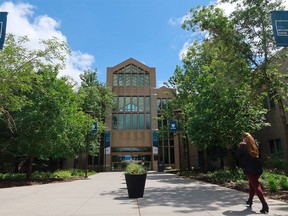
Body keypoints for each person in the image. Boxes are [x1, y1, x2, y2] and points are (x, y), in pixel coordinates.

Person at [236, 132, 269, 214]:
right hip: (258, 169)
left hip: (249, 169)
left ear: (244, 138)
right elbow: (259, 156)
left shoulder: (243, 146)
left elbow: (238, 156)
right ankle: (250, 200)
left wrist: (239, 147)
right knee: (252, 184)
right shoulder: (255, 145)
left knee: (256, 186)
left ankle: (264, 205)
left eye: (243, 138)